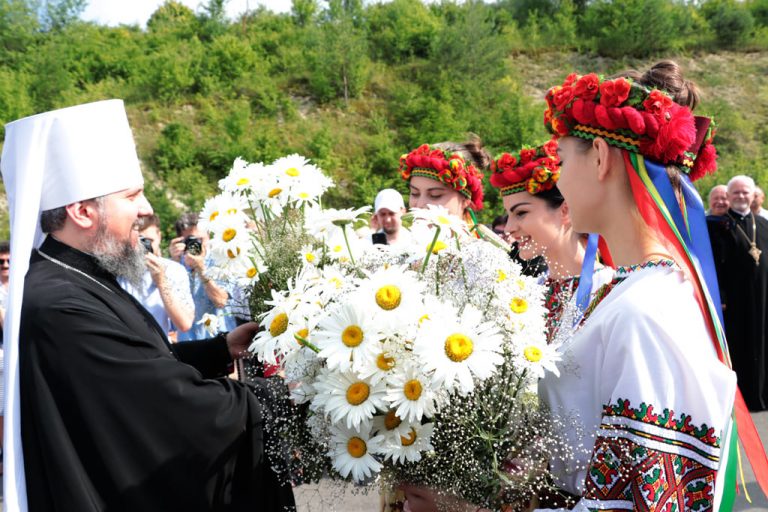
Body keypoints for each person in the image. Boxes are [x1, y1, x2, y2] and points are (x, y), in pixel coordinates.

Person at [0, 100, 294, 511]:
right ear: (82, 211)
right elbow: (165, 405)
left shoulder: (78, 277)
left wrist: (220, 347)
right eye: (132, 195)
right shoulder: (58, 305)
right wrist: (287, 394)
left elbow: (141, 360)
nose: (146, 209)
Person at [537, 61, 768, 510]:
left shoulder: (645, 311)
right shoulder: (623, 289)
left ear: (601, 156)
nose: (558, 179)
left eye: (562, 160)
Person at [490, 141, 613, 342]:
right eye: (508, 215)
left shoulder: (607, 289)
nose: (510, 227)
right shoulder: (529, 292)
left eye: (521, 213)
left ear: (565, 210)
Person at [708, 175, 768, 411]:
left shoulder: (762, 224)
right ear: (729, 197)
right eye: (736, 193)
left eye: (745, 192)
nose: (741, 196)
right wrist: (720, 296)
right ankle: (741, 399)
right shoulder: (718, 226)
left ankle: (762, 394)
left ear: (753, 195)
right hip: (734, 298)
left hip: (763, 295)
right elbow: (713, 265)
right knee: (739, 343)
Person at [119, 214, 194, 341]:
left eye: (149, 241)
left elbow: (184, 323)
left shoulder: (174, 270)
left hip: (158, 350)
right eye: (139, 241)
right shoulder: (117, 268)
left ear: (159, 236)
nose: (143, 247)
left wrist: (161, 281)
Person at [169, 212, 237, 341]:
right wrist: (174, 263)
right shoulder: (174, 266)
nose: (196, 245)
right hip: (189, 344)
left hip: (221, 341)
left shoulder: (222, 261)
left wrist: (201, 269)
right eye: (191, 240)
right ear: (180, 241)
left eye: (200, 240)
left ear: (209, 237)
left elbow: (221, 301)